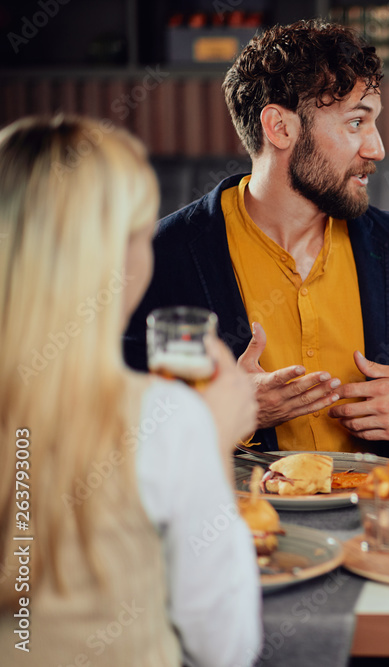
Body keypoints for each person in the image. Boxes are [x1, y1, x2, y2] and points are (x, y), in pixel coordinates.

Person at [122, 20, 389, 466]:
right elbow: (113, 438)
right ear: (280, 128)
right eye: (356, 122)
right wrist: (226, 413)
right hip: (243, 528)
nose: (377, 148)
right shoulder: (162, 259)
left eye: (374, 123)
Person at [0, 117, 261, 665]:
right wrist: (210, 446)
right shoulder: (165, 421)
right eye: (143, 235)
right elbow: (226, 647)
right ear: (112, 257)